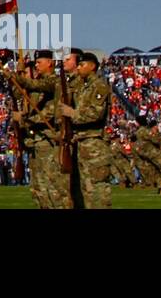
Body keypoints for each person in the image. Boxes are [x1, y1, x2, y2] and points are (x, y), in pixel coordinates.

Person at [2, 50, 69, 209]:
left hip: (48, 140)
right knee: (38, 188)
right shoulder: (38, 84)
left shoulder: (54, 81)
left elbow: (35, 86)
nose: (37, 66)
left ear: (50, 63)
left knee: (51, 187)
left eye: (39, 62)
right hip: (35, 141)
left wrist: (18, 78)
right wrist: (15, 79)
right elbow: (20, 94)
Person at [56, 52, 112, 209]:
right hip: (80, 144)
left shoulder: (99, 85)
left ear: (92, 66)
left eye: (82, 65)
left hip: (94, 144)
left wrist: (72, 113)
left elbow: (96, 113)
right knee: (84, 192)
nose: (79, 68)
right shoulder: (82, 86)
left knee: (98, 193)